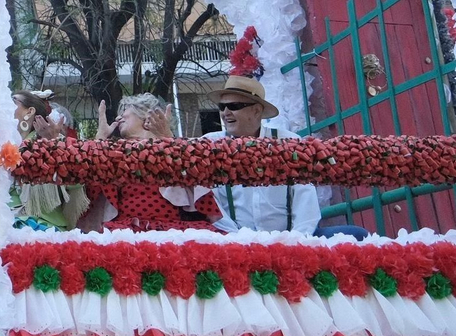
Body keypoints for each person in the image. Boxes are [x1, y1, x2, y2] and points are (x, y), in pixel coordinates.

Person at [77, 93, 221, 232]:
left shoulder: (179, 147)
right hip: (125, 233)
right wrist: (99, 141)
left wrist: (168, 140)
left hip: (171, 231)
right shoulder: (113, 152)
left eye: (125, 111)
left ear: (146, 114)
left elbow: (194, 177)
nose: (118, 117)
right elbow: (92, 191)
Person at [204, 75, 326, 236]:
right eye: (222, 106)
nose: (225, 113)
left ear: (256, 111)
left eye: (234, 106)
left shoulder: (289, 142)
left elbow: (306, 204)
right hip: (232, 242)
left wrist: (295, 242)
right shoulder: (209, 145)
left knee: (356, 235)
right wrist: (238, 240)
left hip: (289, 241)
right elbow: (211, 206)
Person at [12, 90, 88, 230]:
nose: (5, 104)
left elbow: (76, 182)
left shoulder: (52, 141)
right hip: (3, 221)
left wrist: (52, 144)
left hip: (41, 225)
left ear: (29, 112)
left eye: (13, 101)